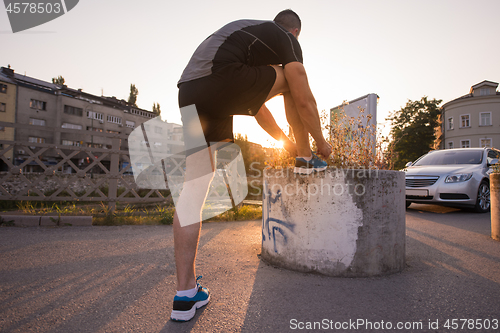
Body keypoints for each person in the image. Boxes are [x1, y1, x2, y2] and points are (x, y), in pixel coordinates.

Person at [170, 9, 332, 322]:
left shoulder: (250, 43)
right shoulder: (285, 38)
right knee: (293, 80)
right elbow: (303, 98)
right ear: (295, 32)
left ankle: (185, 294)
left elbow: (257, 109)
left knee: (194, 187)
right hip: (220, 79)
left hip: (190, 93)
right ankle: (305, 158)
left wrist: (284, 139)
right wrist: (320, 145)